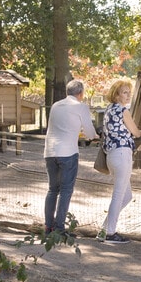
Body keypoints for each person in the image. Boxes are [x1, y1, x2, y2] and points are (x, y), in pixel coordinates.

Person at [44, 79, 99, 237]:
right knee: (66, 190)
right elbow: (89, 132)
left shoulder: (55, 105)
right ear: (81, 93)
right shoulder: (80, 106)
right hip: (67, 152)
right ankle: (60, 228)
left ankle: (48, 226)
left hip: (50, 152)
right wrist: (94, 136)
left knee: (52, 189)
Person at [99, 78, 141, 245]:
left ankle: (105, 228)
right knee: (119, 195)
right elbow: (134, 130)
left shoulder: (108, 110)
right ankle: (110, 233)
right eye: (125, 92)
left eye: (129, 92)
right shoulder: (122, 110)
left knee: (126, 196)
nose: (128, 96)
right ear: (117, 95)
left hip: (112, 155)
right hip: (122, 154)